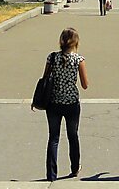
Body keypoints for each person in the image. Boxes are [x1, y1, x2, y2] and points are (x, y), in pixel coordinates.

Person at [33, 27, 88, 182]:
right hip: (71, 103)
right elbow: (85, 85)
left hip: (53, 103)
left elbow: (45, 79)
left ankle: (51, 174)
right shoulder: (79, 60)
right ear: (76, 42)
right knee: (73, 135)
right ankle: (75, 167)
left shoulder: (52, 57)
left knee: (54, 137)